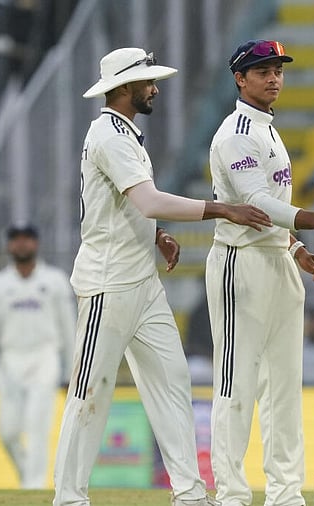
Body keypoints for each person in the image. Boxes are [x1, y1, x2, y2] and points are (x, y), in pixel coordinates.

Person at [54, 47, 274, 506]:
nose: (155, 88)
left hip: (142, 283)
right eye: (147, 81)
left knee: (172, 383)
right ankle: (69, 498)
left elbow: (124, 204)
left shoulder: (126, 133)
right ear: (123, 88)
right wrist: (223, 208)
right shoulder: (109, 135)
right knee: (89, 391)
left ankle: (190, 494)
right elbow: (149, 200)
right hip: (107, 284)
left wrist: (157, 237)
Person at [206, 39, 314, 506]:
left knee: (283, 388)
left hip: (276, 260)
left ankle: (285, 493)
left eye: (278, 70)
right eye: (262, 71)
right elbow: (255, 200)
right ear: (240, 78)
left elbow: (265, 211)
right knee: (236, 381)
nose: (274, 78)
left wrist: (295, 246)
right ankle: (232, 494)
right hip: (241, 265)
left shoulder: (267, 129)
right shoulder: (236, 132)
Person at [0, 223, 76, 489]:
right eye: (16, 240)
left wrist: (71, 370)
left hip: (44, 358)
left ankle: (33, 487)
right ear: (9, 245)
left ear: (36, 243)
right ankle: (27, 477)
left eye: (26, 239)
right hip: (10, 361)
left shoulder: (54, 280)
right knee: (7, 432)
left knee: (37, 427)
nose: (21, 245)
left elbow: (68, 327)